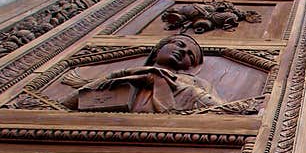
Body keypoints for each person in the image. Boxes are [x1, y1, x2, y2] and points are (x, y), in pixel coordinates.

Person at [62, 35, 222, 113]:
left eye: (190, 55)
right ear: (158, 49)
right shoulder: (121, 77)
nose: (182, 52)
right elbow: (66, 104)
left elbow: (219, 110)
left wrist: (156, 79)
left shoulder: (194, 82)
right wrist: (123, 73)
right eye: (179, 45)